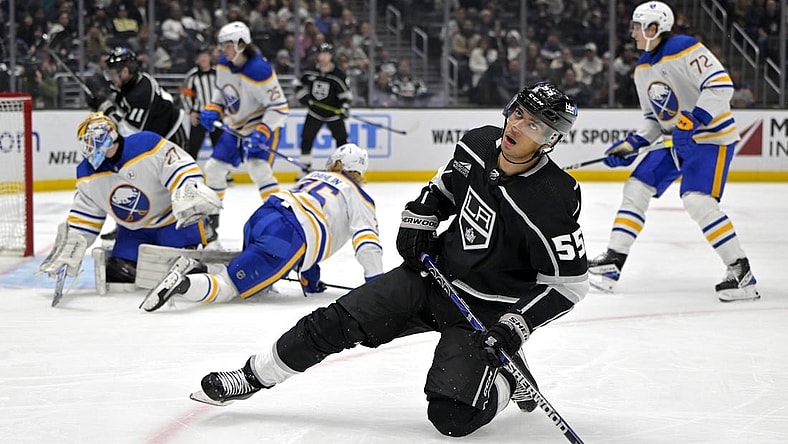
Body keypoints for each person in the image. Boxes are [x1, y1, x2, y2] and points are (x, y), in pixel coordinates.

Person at [190, 83, 588, 438]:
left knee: (452, 418)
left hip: (483, 310)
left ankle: (506, 378)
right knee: (332, 322)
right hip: (433, 277)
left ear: (550, 139)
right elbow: (446, 186)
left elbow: (569, 284)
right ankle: (252, 375)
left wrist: (513, 328)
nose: (517, 128)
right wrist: (420, 219)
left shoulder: (552, 198)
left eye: (534, 125)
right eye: (519, 114)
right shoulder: (478, 143)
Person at [588, 1, 760, 302]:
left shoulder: (684, 47)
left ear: (656, 27)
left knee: (697, 200)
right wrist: (632, 144)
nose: (633, 33)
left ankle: (741, 272)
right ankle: (613, 263)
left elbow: (720, 86)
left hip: (710, 138)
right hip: (673, 142)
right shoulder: (642, 68)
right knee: (636, 186)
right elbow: (654, 119)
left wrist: (694, 120)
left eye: (639, 26)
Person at [140, 143, 382, 311]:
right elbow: (367, 243)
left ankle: (198, 267)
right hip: (287, 236)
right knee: (229, 287)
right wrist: (376, 288)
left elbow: (316, 223)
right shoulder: (359, 196)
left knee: (243, 270)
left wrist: (310, 279)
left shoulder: (313, 177)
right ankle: (184, 284)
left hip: (265, 215)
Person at [38, 112, 220, 289]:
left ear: (108, 137)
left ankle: (205, 238)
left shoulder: (146, 145)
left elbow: (179, 167)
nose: (89, 149)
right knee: (118, 272)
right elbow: (85, 216)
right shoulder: (87, 173)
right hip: (134, 232)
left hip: (172, 222)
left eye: (92, 142)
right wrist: (72, 245)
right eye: (86, 144)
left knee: (181, 267)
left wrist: (188, 187)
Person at [91, 46, 189, 241]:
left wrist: (107, 109)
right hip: (150, 138)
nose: (111, 78)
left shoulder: (141, 92)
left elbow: (132, 132)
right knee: (127, 180)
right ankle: (126, 225)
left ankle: (190, 225)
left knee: (173, 187)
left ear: (126, 71)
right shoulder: (126, 86)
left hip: (170, 139)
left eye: (113, 73)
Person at [198, 21, 290, 229]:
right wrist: (214, 108)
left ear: (242, 44)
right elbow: (223, 90)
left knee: (259, 170)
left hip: (261, 126)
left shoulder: (260, 70)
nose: (224, 49)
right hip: (236, 126)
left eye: (228, 44)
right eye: (222, 45)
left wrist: (262, 131)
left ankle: (280, 221)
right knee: (214, 169)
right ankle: (211, 222)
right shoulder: (223, 63)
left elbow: (279, 107)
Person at [295, 42, 352, 175]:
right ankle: (305, 168)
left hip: (334, 114)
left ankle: (342, 168)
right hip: (314, 112)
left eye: (327, 54)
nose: (324, 57)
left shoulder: (339, 75)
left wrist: (344, 108)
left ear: (331, 56)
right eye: (322, 54)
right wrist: (303, 97)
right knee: (306, 138)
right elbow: (297, 84)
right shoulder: (310, 71)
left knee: (342, 141)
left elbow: (346, 95)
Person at [181, 46, 219, 159]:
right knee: (193, 147)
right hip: (199, 115)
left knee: (219, 147)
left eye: (205, 56)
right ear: (197, 59)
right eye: (200, 57)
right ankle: (190, 173)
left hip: (216, 115)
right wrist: (191, 112)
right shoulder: (192, 76)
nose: (203, 59)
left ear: (210, 58)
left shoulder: (218, 73)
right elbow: (185, 95)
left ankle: (224, 173)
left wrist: (225, 111)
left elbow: (226, 93)